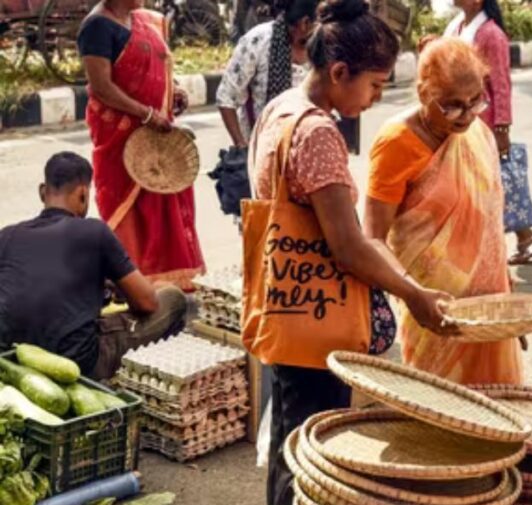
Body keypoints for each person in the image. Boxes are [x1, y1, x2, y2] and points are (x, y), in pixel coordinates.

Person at [245, 0, 456, 505]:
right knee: (313, 452)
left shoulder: (281, 106)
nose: (376, 99)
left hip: (284, 299)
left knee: (290, 443)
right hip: (316, 316)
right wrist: (414, 294)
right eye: (375, 86)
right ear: (339, 73)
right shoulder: (318, 133)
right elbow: (349, 246)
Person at [364, 38, 524, 386]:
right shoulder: (397, 142)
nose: (466, 115)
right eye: (452, 106)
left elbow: (491, 227)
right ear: (423, 93)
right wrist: (412, 294)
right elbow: (373, 238)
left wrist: (506, 294)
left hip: (487, 306)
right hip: (432, 312)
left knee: (495, 414)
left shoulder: (478, 134)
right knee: (440, 414)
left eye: (476, 102)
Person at [0, 153, 187, 381]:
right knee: (174, 299)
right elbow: (147, 302)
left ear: (42, 192)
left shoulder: (7, 236)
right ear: (83, 193)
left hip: (15, 361)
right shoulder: (94, 231)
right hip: (79, 364)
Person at [77, 0, 206, 290]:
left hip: (157, 130)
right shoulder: (97, 26)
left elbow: (158, 69)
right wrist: (146, 114)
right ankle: (132, 283)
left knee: (162, 194)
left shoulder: (143, 20)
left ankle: (165, 280)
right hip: (121, 135)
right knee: (126, 204)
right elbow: (102, 87)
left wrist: (173, 91)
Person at [442, 0, 532, 265]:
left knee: (481, 188)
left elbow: (501, 83)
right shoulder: (455, 28)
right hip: (458, 120)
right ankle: (522, 235)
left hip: (482, 123)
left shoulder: (491, 35)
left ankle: (488, 251)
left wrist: (502, 127)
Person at [217, 0, 319, 148]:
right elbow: (226, 97)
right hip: (262, 151)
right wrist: (241, 145)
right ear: (305, 23)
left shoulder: (320, 47)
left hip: (307, 150)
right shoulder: (258, 41)